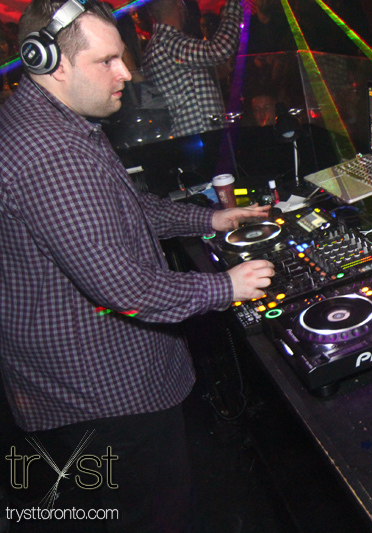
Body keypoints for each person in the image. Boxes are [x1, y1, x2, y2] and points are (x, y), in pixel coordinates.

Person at [0, 0, 274, 529]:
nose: (125, 72)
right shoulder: (52, 155)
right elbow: (128, 290)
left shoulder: (56, 121)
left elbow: (129, 206)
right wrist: (226, 286)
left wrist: (209, 219)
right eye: (107, 61)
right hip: (102, 395)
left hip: (84, 378)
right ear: (50, 62)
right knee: (151, 515)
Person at [142, 0, 242, 138]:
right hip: (200, 133)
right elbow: (221, 49)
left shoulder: (158, 44)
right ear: (179, 5)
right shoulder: (168, 42)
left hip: (190, 135)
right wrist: (234, 6)